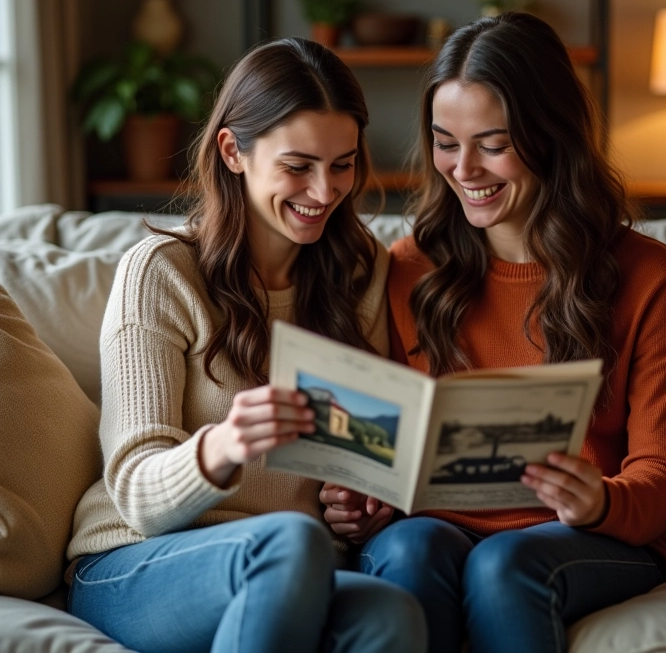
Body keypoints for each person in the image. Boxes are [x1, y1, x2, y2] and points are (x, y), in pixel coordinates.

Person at [321, 12, 666, 653]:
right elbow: (383, 444)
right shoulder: (408, 267)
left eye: (492, 144)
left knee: (503, 565)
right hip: (437, 526)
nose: (463, 168)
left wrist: (601, 503)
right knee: (409, 546)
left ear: (551, 136)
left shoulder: (649, 277)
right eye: (446, 141)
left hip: (584, 536)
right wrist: (362, 496)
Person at [66, 38, 427, 653]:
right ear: (234, 151)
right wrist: (225, 446)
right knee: (291, 542)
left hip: (298, 563)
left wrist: (357, 503)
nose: (324, 190)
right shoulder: (161, 273)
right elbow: (133, 491)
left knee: (391, 614)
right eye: (298, 166)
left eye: (342, 164)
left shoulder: (359, 269)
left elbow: (359, 460)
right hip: (137, 561)